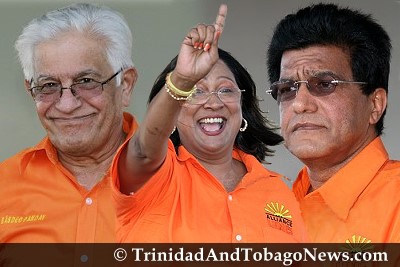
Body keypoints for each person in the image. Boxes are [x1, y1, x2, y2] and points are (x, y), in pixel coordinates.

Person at [112, 5, 307, 243]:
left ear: (242, 107)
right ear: (172, 111)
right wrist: (182, 79)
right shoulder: (149, 177)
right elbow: (143, 151)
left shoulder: (277, 192)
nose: (213, 103)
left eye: (225, 90)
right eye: (195, 92)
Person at [0, 3, 138, 242]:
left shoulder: (180, 176)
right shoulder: (5, 186)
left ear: (125, 85)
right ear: (30, 90)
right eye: (49, 86)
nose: (66, 105)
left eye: (86, 81)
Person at [266, 3, 400, 242]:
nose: (299, 104)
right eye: (287, 89)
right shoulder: (277, 211)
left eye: (324, 84)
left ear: (375, 105)